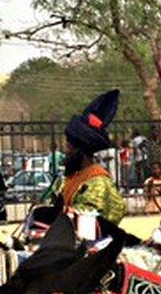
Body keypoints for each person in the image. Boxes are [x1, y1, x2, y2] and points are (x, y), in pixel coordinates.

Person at [47, 89, 126, 225]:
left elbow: (87, 223)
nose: (65, 152)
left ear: (81, 152)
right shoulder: (67, 179)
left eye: (69, 147)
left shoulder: (98, 183)